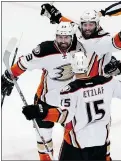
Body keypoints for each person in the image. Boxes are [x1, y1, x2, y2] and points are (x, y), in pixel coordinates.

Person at [22, 51, 121, 160]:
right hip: (101, 144)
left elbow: (65, 116)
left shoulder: (70, 90)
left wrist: (41, 111)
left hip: (77, 146)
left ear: (73, 67)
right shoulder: (108, 82)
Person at [1, 22, 85, 161]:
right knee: (44, 140)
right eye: (59, 37)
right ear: (55, 37)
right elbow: (24, 63)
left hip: (70, 103)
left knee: (75, 138)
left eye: (66, 38)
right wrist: (10, 77)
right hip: (45, 102)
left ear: (72, 37)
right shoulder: (45, 50)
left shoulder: (80, 48)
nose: (63, 41)